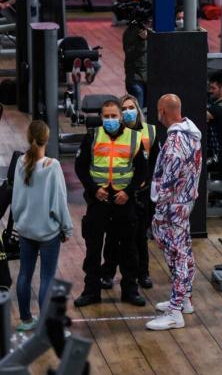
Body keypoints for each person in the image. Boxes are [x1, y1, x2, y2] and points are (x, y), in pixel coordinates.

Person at [74, 99, 147, 308]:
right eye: (106, 116)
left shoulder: (134, 137)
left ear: (121, 116)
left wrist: (128, 191)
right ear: (101, 117)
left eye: (114, 116)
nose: (110, 120)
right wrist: (93, 189)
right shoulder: (92, 136)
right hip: (99, 200)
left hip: (124, 201)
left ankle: (130, 290)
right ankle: (91, 291)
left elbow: (142, 170)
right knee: (93, 249)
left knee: (128, 249)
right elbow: (80, 167)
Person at [146, 94, 202, 331]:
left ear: (163, 111)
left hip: (172, 209)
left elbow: (167, 184)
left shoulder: (173, 146)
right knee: (185, 251)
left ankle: (174, 312)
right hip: (186, 203)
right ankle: (185, 299)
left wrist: (158, 211)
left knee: (177, 257)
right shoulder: (193, 136)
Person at [11, 121, 72, 331]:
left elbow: (16, 197)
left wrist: (19, 221)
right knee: (47, 276)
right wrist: (67, 228)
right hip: (48, 232)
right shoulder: (52, 166)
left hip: (26, 230)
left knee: (24, 274)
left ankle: (26, 319)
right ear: (47, 139)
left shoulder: (21, 162)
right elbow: (59, 201)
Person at [101, 95, 158, 290]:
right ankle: (108, 273)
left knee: (140, 237)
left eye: (130, 107)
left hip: (141, 193)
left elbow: (154, 164)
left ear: (138, 109)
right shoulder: (115, 134)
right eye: (123, 108)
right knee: (113, 237)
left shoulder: (150, 131)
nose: (127, 112)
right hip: (118, 194)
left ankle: (142, 274)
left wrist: (146, 184)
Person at [123, 19, 148, 108]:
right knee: (139, 110)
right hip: (136, 79)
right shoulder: (132, 32)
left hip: (150, 79)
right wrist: (142, 41)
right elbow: (130, 54)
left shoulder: (153, 31)